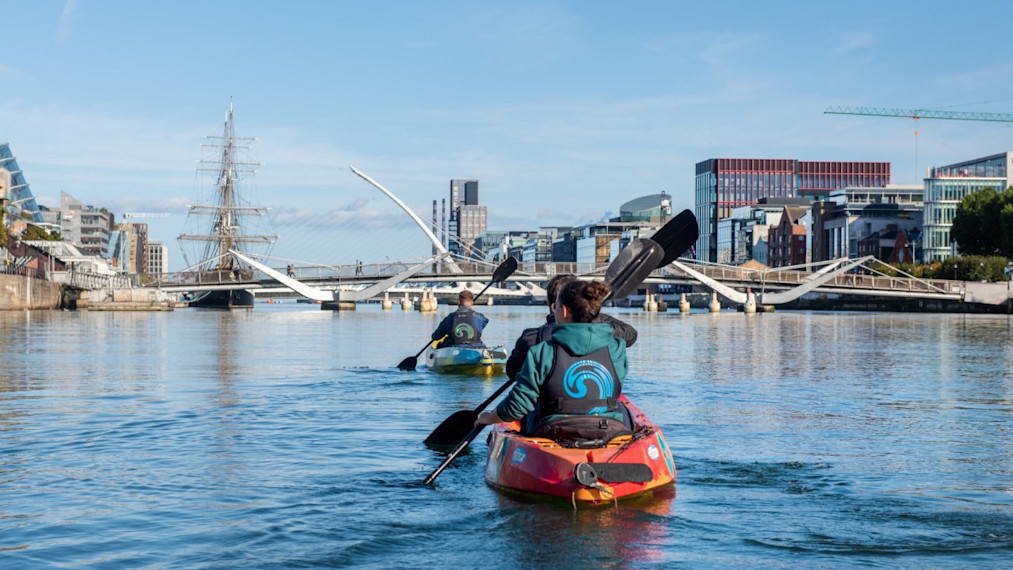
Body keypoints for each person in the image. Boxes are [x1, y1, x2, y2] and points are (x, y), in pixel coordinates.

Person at [476, 279, 631, 446]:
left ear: (563, 311)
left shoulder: (542, 352)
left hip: (554, 432)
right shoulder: (617, 348)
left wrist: (489, 417)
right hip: (609, 431)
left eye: (555, 307)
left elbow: (517, 407)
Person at [504, 274, 636, 381]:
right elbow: (630, 335)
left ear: (550, 302)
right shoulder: (611, 341)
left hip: (551, 408)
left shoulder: (532, 339)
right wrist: (595, 327)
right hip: (600, 406)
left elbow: (512, 373)